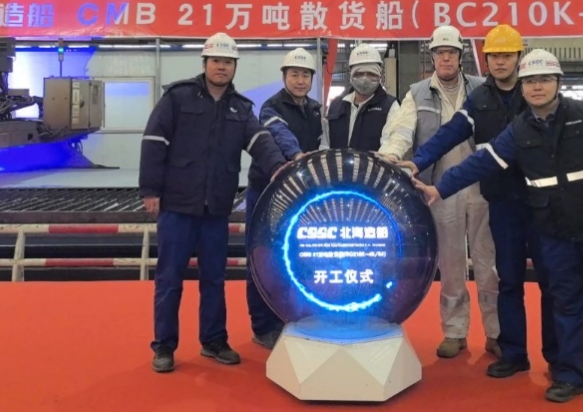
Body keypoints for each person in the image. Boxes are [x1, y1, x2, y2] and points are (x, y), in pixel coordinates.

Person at [413, 49, 583, 407]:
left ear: (558, 83)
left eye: (544, 80)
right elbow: (482, 162)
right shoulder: (519, 130)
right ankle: (569, 376)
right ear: (522, 87)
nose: (537, 87)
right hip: (556, 232)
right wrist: (439, 188)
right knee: (566, 306)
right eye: (530, 82)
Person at [397, 24, 557, 377]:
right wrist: (415, 161)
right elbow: (447, 133)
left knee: (515, 274)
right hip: (482, 193)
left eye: (506, 55)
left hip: (531, 200)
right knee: (473, 268)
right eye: (494, 56)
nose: (500, 62)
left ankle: (534, 350)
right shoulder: (472, 98)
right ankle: (490, 343)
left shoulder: (529, 94)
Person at [139, 32, 286, 373]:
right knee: (169, 278)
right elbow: (154, 140)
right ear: (205, 63)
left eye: (228, 62)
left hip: (216, 209)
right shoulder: (178, 97)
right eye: (217, 61)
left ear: (235, 67)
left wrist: (279, 167)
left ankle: (214, 340)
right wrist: (150, 190)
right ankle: (164, 346)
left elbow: (260, 140)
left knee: (214, 278)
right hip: (177, 205)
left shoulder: (241, 108)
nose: (222, 67)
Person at [379, 25, 500, 359]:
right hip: (440, 190)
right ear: (431, 56)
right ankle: (454, 331)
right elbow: (401, 130)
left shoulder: (482, 89)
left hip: (482, 187)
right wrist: (392, 154)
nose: (446, 58)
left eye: (451, 52)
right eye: (440, 53)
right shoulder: (416, 94)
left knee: (489, 262)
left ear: (461, 56)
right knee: (450, 263)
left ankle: (497, 332)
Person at [244, 47, 323, 349]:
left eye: (305, 75)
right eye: (294, 75)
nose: (300, 81)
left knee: (296, 257)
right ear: (284, 77)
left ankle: (291, 316)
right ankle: (263, 326)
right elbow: (280, 135)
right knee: (262, 258)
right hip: (267, 193)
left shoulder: (315, 109)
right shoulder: (271, 107)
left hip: (299, 195)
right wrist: (298, 157)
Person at [320, 43, 399, 151]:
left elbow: (389, 146)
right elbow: (325, 146)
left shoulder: (391, 107)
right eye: (359, 74)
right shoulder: (335, 106)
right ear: (351, 75)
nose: (364, 79)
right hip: (338, 162)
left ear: (380, 75)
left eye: (371, 74)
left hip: (375, 163)